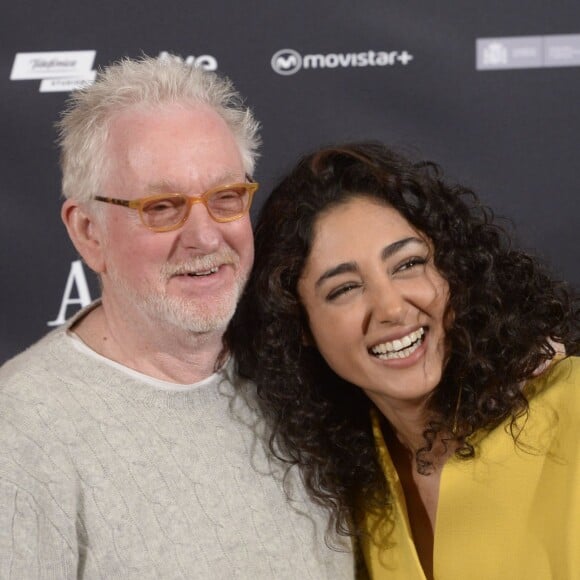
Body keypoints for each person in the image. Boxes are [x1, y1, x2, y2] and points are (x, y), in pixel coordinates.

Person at [0, 56, 355, 579]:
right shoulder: (20, 432)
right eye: (162, 207)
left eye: (226, 198)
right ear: (88, 232)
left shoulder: (301, 367)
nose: (206, 236)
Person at [230, 142, 579, 580]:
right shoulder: (347, 483)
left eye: (408, 264)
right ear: (298, 325)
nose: (392, 308)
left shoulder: (571, 407)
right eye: (344, 289)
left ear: (451, 269)